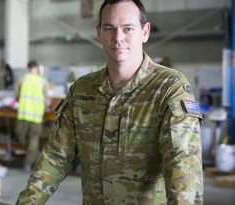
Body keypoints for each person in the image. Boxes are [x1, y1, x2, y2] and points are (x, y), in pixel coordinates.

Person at [16, 0, 203, 204]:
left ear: (145, 32)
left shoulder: (169, 88)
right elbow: (56, 157)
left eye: (128, 28)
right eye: (109, 28)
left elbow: (183, 169)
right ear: (99, 33)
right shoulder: (82, 91)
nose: (118, 38)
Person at [15, 60, 48, 172]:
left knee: (22, 137)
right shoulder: (43, 82)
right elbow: (47, 101)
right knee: (33, 140)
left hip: (23, 115)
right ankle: (29, 161)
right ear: (37, 68)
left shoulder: (22, 79)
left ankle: (28, 161)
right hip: (37, 116)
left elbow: (16, 96)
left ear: (28, 68)